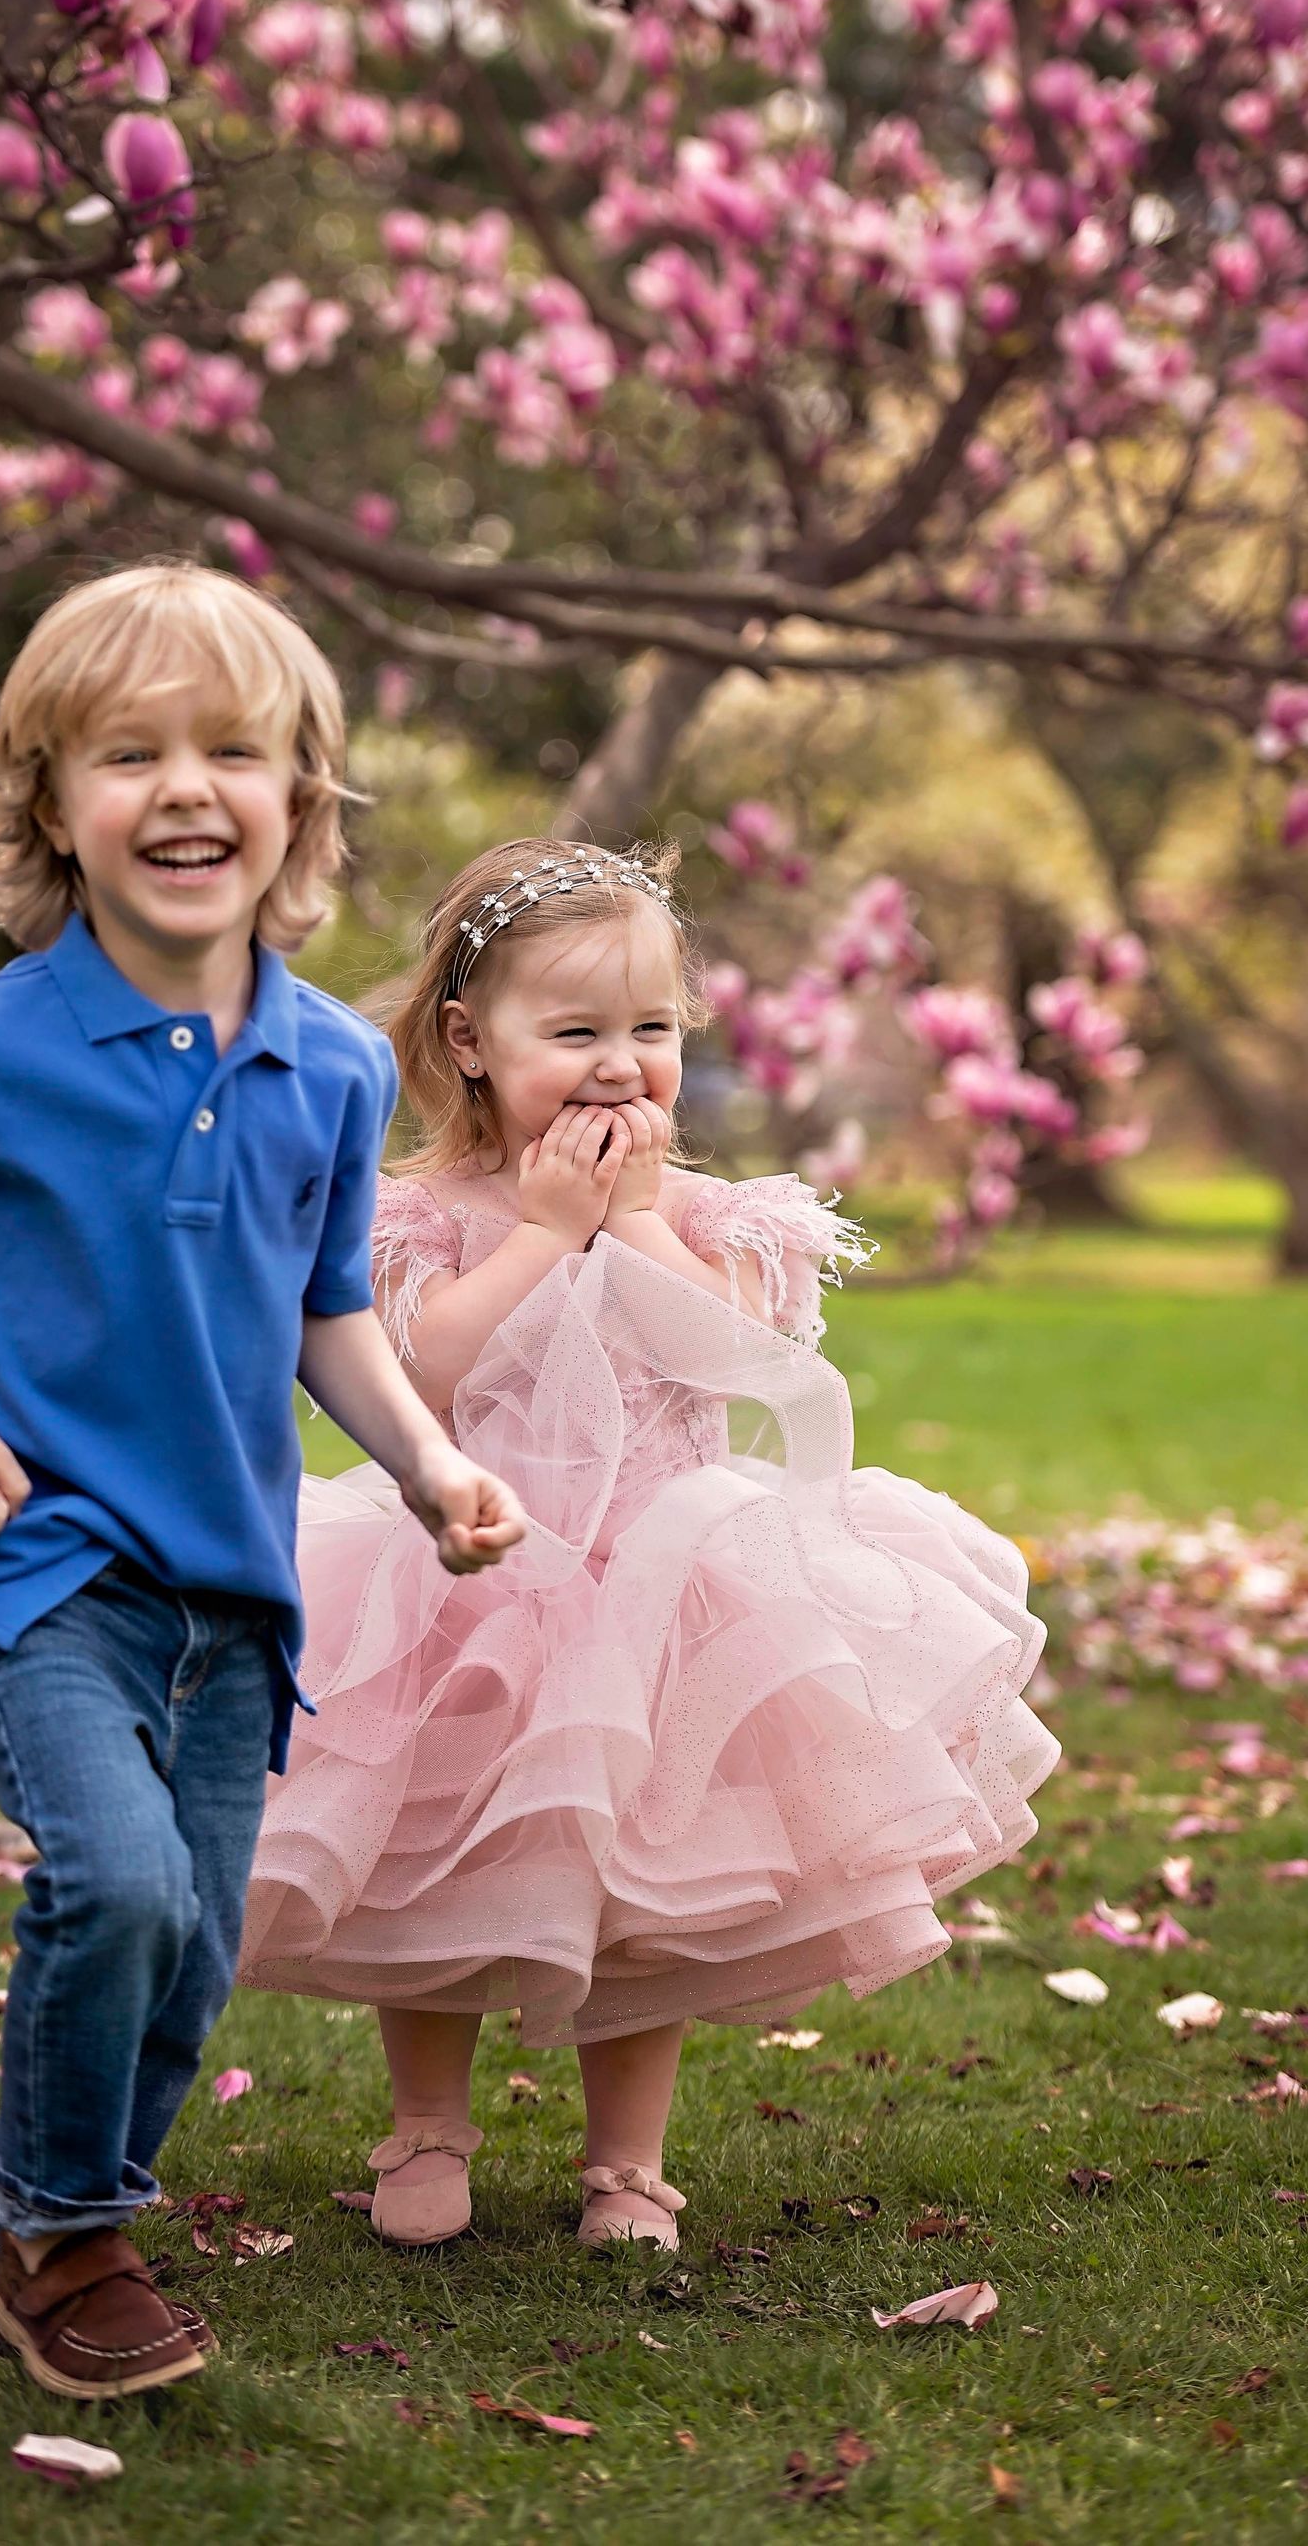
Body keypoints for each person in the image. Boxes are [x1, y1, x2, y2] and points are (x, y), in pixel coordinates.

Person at [0, 565, 524, 2400]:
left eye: (234, 750)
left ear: (302, 798)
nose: (187, 787)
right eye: (131, 753)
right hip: (39, 1556)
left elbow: (328, 1310)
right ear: (52, 803)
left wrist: (435, 1463)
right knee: (116, 1889)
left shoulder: (335, 1066)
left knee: (193, 1948)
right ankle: (75, 2235)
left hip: (237, 1574)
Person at [242, 834, 1058, 2253]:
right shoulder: (426, 1212)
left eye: (652, 1029)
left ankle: (629, 2162)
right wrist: (540, 1235)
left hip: (668, 1588)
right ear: (470, 1041)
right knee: (424, 1851)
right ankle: (427, 2119)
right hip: (469, 1580)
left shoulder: (712, 1215)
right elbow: (413, 1380)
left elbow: (745, 1359)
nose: (621, 1064)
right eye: (575, 1032)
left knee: (649, 1893)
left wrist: (630, 1224)